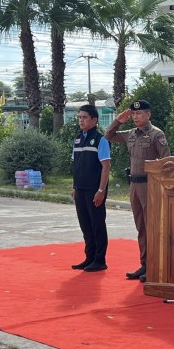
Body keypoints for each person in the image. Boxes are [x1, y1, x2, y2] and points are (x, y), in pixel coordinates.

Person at [105, 100, 171, 282]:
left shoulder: (157, 134)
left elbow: (166, 161)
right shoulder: (131, 134)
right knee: (141, 227)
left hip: (150, 186)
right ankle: (145, 264)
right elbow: (109, 135)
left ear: (148, 115)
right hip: (134, 185)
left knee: (152, 227)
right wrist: (118, 121)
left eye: (139, 113)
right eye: (133, 114)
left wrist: (162, 185)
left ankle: (156, 267)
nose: (135, 116)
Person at [71, 104, 111, 272]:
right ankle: (89, 257)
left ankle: (100, 260)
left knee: (97, 225)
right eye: (80, 117)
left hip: (94, 190)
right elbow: (76, 165)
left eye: (85, 117)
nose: (81, 120)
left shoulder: (101, 139)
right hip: (80, 189)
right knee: (85, 225)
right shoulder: (78, 139)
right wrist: (74, 186)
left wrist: (101, 190)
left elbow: (106, 166)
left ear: (94, 120)